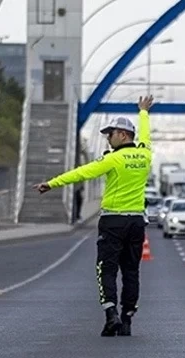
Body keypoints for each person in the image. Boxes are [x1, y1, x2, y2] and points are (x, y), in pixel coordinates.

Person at [35, 95, 154, 337]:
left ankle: (111, 315)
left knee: (106, 269)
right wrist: (143, 112)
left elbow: (82, 173)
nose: (108, 139)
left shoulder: (113, 159)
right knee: (131, 271)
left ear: (122, 134)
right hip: (136, 222)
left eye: (110, 134)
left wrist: (52, 183)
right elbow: (146, 136)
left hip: (113, 222)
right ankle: (128, 318)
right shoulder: (145, 155)